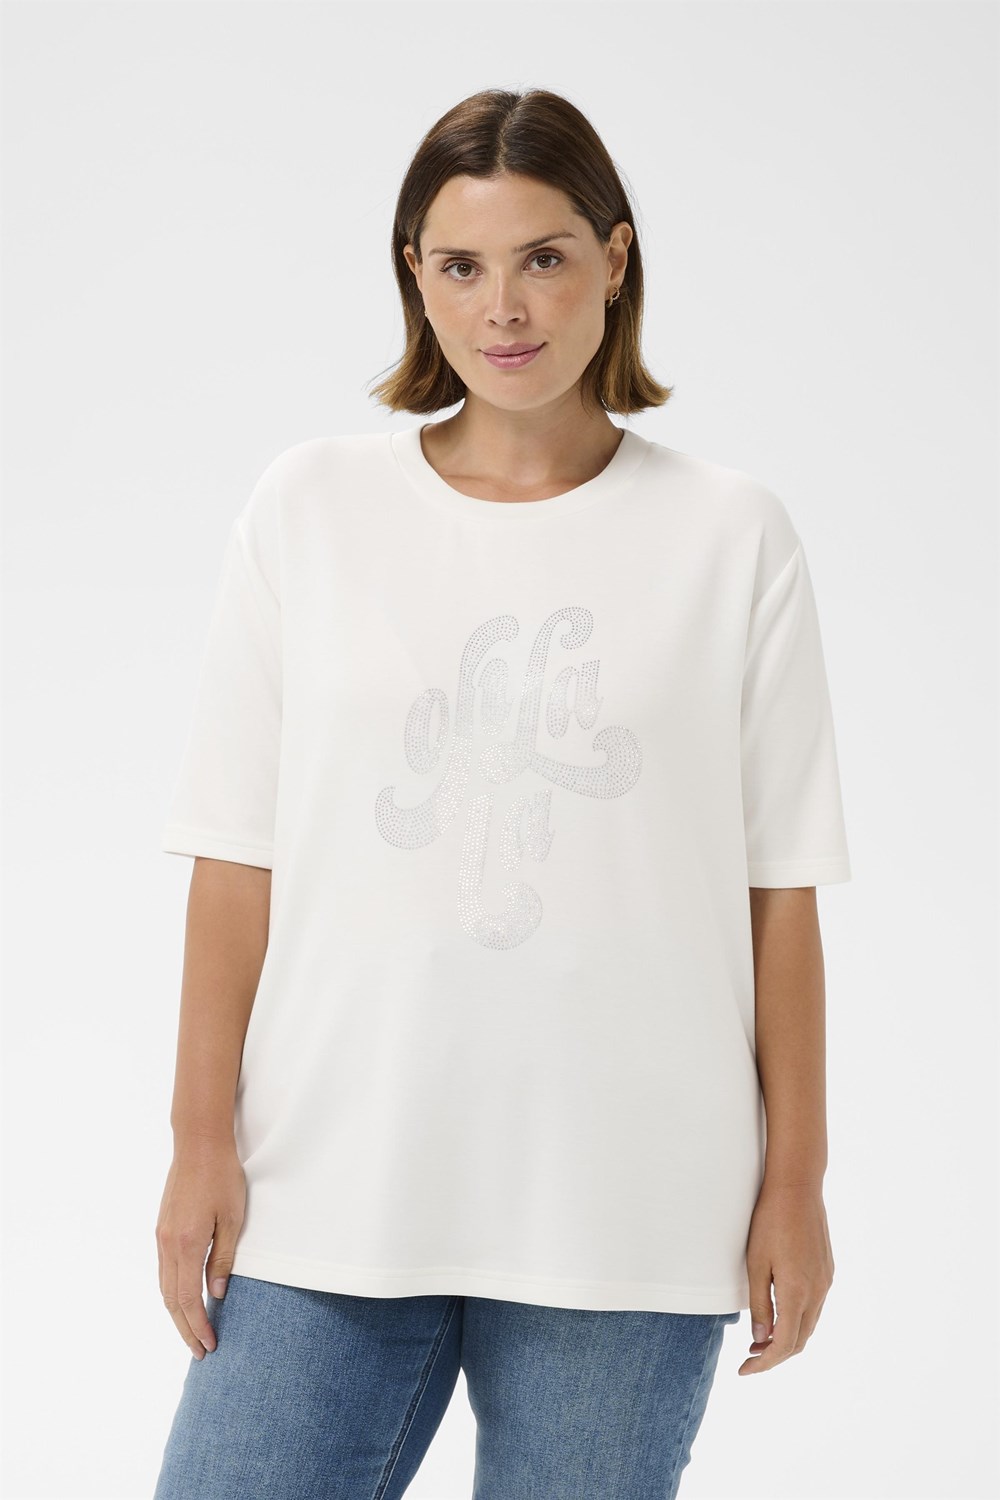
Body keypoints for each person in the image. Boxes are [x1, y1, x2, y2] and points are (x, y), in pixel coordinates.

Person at [152, 86, 851, 1500]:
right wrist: (197, 1141)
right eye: (462, 265)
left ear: (616, 258)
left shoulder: (732, 536)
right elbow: (236, 860)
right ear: (416, 275)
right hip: (331, 1184)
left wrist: (796, 1185)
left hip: (629, 1205)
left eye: (544, 257)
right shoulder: (308, 510)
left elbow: (780, 896)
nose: (505, 308)